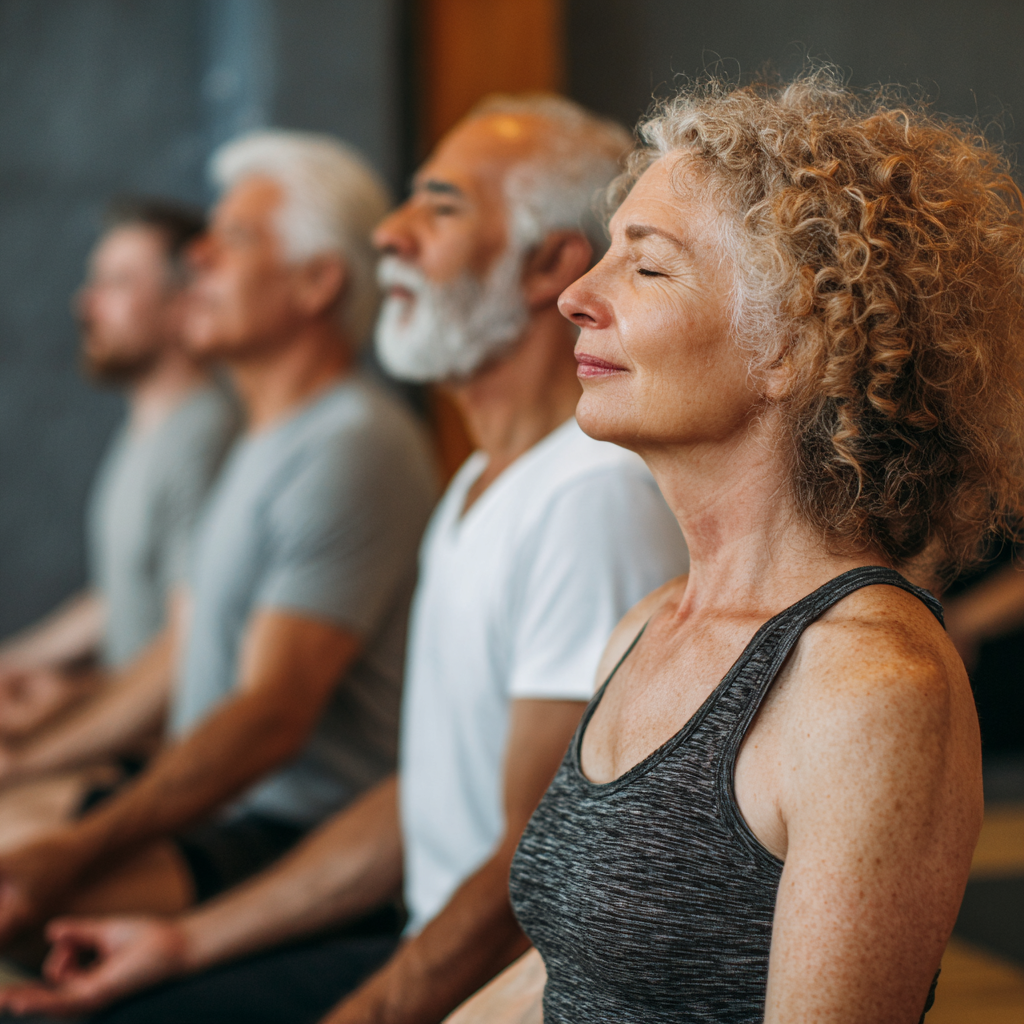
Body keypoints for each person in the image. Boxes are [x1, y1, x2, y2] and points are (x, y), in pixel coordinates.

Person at [0, 95, 689, 1024]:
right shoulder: (481, 483)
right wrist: (182, 945)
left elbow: (534, 877)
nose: (391, 236)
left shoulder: (588, 498)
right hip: (416, 931)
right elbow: (429, 797)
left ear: (549, 267)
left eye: (438, 208)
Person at [448, 72, 1024, 1024]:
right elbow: (568, 975)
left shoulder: (870, 686)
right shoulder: (646, 629)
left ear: (793, 347)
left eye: (648, 267)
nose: (577, 297)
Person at [0, 130, 436, 946]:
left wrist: (80, 846)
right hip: (217, 804)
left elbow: (269, 718)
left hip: (292, 833)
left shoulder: (350, 443)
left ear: (317, 284)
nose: (196, 256)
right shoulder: (265, 438)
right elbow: (180, 650)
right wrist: (31, 758)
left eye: (233, 238)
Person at [0, 198, 237, 746]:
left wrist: (77, 701)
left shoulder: (202, 439)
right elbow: (122, 594)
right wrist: (18, 662)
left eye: (118, 284)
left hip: (162, 758)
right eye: (94, 282)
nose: (87, 304)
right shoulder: (148, 430)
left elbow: (188, 647)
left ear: (184, 305)